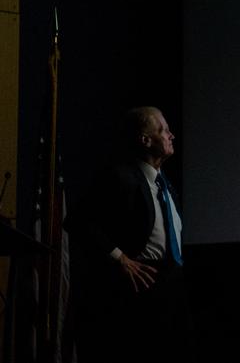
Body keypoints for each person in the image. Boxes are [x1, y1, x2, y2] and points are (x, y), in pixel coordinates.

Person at [68, 107, 191, 363]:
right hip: (142, 289)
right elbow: (78, 221)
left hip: (173, 287)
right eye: (164, 130)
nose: (172, 135)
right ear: (145, 139)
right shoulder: (120, 176)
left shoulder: (166, 185)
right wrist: (120, 258)